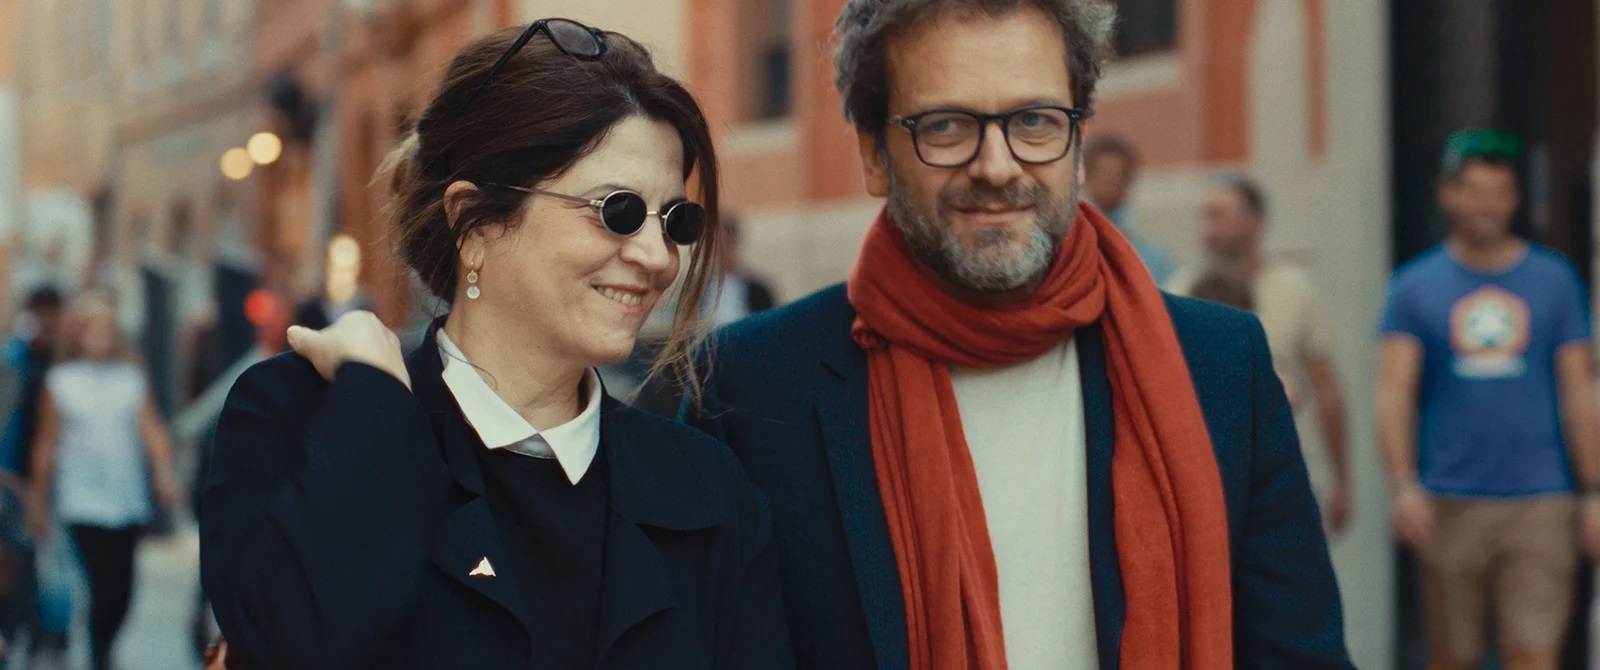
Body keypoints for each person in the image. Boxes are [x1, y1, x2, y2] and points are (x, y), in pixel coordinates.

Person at [684, 0, 1351, 667]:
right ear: (874, 154)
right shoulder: (748, 389)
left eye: (1034, 120)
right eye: (946, 126)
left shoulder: (1223, 370)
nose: (998, 166)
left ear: (1079, 141)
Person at [200, 19, 792, 669]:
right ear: (474, 224)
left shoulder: (707, 489)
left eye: (677, 221)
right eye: (616, 211)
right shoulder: (300, 419)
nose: (657, 256)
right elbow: (293, 642)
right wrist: (373, 403)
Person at [1377, 129, 1600, 670]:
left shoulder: (1555, 279)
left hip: (1541, 499)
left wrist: (1593, 490)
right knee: (1453, 655)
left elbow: (1579, 389)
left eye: (1500, 193)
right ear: (1448, 194)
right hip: (1449, 498)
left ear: (1516, 199)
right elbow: (1394, 391)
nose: (1488, 205)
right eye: (1476, 191)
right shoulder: (1414, 285)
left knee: (1535, 653)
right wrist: (1404, 485)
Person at [1167, 175, 1353, 534]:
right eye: (1205, 217)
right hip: (1209, 487)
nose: (1207, 230)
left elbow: (1326, 388)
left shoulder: (1296, 291)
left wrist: (1341, 478)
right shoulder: (1179, 291)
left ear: (1255, 221)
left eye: (1219, 216)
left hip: (1289, 481)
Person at [25, 291, 180, 670]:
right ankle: (101, 657)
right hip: (81, 499)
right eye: (93, 330)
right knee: (101, 584)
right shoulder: (61, 382)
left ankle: (105, 645)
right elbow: (46, 445)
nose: (101, 337)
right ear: (78, 335)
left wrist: (163, 472)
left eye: (107, 330)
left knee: (124, 587)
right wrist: (37, 499)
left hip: (126, 498)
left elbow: (152, 430)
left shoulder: (130, 379)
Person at [0, 286, 73, 663]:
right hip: (11, 478)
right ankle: (18, 635)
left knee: (50, 567)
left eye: (51, 312)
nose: (44, 321)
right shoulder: (11, 359)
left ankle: (47, 635)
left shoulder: (66, 363)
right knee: (14, 563)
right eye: (38, 311)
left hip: (59, 483)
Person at [1081, 134, 1175, 284]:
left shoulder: (1154, 258)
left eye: (1118, 175)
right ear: (1086, 177)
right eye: (1103, 173)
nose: (1110, 182)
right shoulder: (1073, 246)